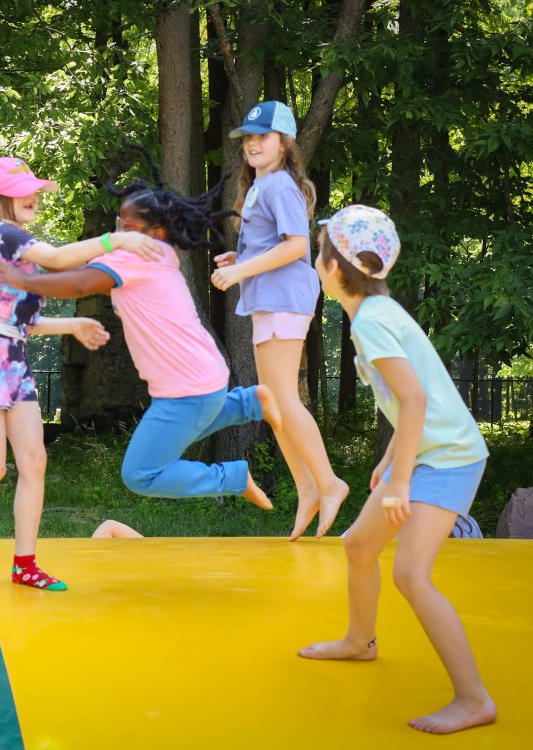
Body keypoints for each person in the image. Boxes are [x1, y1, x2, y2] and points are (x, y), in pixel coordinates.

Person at [0, 149, 281, 512]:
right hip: (203, 379)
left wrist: (21, 280)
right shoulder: (160, 254)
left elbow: (79, 283)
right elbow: (74, 262)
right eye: (118, 221)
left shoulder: (138, 257)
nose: (119, 231)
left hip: (186, 389)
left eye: (128, 227)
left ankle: (232, 478)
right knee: (197, 417)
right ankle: (251, 402)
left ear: (156, 233)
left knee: (142, 473)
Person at [298, 205, 495, 735]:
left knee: (411, 573)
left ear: (336, 268)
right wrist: (390, 460)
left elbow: (413, 400)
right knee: (359, 547)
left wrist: (400, 480)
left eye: (321, 254)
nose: (317, 261)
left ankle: (474, 699)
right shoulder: (376, 313)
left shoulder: (374, 321)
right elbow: (406, 397)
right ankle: (359, 641)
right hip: (427, 451)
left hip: (449, 458)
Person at [0, 156, 162, 592]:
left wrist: (73, 325)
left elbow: (23, 323)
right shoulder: (2, 235)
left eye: (37, 190)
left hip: (13, 353)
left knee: (35, 461)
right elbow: (60, 259)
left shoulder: (19, 249)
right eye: (26, 190)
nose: (36, 197)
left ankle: (25, 563)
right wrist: (114, 239)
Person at [210, 101, 348, 541]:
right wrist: (241, 257)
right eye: (248, 137)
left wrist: (238, 271)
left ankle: (330, 484)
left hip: (285, 299)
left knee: (285, 401)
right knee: (273, 404)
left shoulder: (281, 186)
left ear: (284, 143)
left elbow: (295, 246)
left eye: (262, 136)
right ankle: (307, 489)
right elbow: (271, 246)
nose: (252, 143)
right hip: (268, 301)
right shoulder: (258, 186)